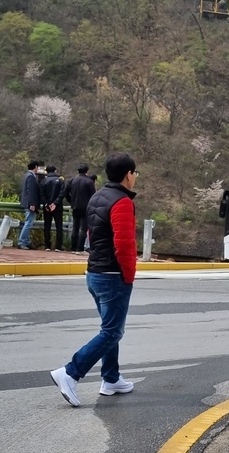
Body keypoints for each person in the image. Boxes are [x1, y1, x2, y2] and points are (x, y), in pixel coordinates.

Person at [50, 152, 139, 407]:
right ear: (128, 174)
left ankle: (111, 378)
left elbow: (92, 235)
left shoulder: (97, 197)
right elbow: (123, 245)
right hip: (112, 275)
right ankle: (70, 372)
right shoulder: (122, 202)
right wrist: (128, 276)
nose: (135, 178)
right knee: (113, 331)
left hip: (94, 273)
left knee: (109, 329)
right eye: (134, 173)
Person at [64, 163, 96, 254]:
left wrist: (71, 201)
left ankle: (73, 247)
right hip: (86, 207)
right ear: (87, 171)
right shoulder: (89, 182)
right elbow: (93, 196)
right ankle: (80, 248)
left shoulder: (72, 180)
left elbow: (65, 192)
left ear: (78, 171)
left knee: (75, 227)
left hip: (75, 206)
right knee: (83, 228)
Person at [40, 165, 64, 252]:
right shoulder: (60, 181)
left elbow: (42, 194)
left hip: (46, 207)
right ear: (55, 170)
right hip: (57, 207)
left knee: (47, 226)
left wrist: (47, 203)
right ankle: (58, 246)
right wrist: (55, 203)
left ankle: (47, 245)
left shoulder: (43, 181)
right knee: (59, 226)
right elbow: (62, 193)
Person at [18, 160, 41, 250]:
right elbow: (31, 191)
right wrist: (32, 203)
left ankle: (26, 241)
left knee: (28, 222)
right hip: (29, 204)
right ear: (35, 167)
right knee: (28, 223)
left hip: (26, 202)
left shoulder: (26, 175)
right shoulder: (31, 177)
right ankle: (22, 241)